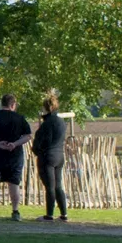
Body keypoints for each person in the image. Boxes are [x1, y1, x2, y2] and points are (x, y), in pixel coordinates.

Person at [32, 91, 68, 222]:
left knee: (50, 186)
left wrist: (37, 150)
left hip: (48, 156)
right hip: (59, 155)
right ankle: (64, 213)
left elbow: (41, 141)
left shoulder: (46, 124)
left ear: (46, 108)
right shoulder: (62, 123)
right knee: (58, 185)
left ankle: (49, 214)